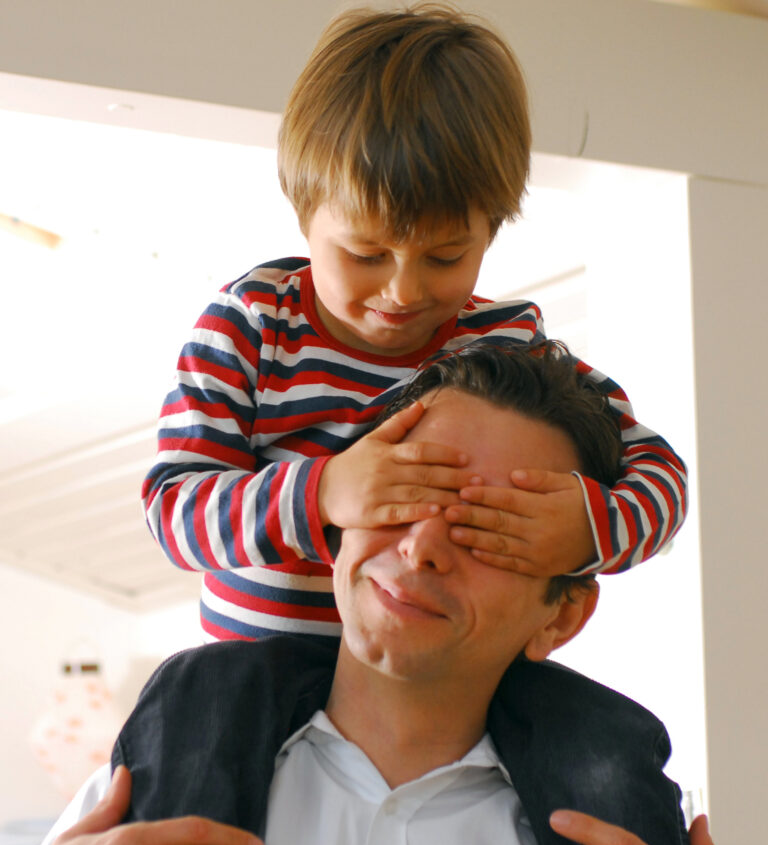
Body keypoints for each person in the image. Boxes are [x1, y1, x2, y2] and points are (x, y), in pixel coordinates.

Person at [6, 343, 755, 845]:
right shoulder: (148, 793)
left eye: (488, 528)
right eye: (406, 491)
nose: (424, 543)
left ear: (560, 615)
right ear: (339, 525)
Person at [141, 3, 688, 643]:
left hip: (454, 674)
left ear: (493, 229)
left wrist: (593, 526)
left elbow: (659, 471)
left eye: (446, 256)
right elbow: (175, 513)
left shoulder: (507, 347)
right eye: (366, 254)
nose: (403, 291)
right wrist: (321, 493)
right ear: (304, 216)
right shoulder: (251, 330)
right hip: (259, 678)